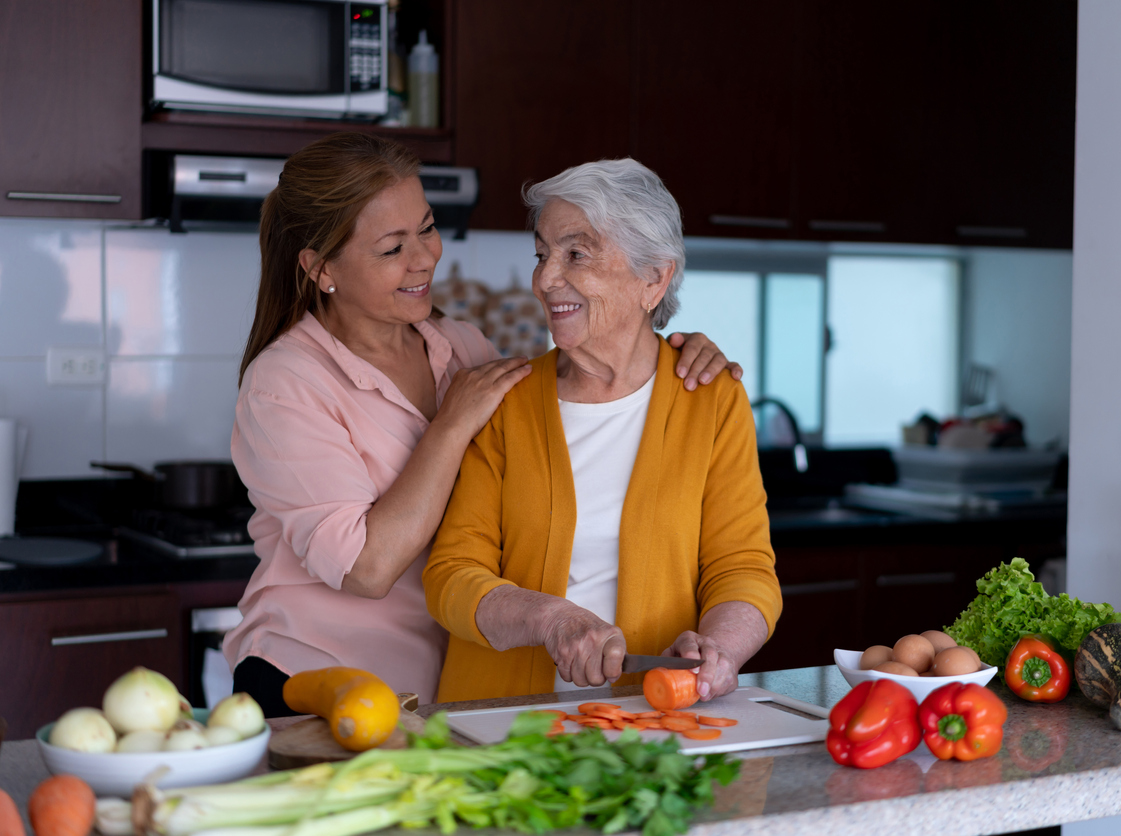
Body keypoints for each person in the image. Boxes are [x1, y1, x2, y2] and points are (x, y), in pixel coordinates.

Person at [222, 134, 740, 716]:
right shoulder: (285, 382)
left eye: (426, 227)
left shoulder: (462, 348)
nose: (424, 257)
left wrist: (683, 351)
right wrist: (450, 425)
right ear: (321, 269)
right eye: (393, 248)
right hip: (317, 680)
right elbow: (364, 569)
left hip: (431, 693)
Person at [424, 159, 782, 704]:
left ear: (653, 278)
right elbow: (451, 576)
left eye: (576, 254)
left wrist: (720, 649)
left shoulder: (712, 401)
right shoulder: (504, 402)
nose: (545, 279)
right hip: (502, 728)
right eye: (543, 254)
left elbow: (743, 566)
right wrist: (550, 619)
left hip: (656, 722)